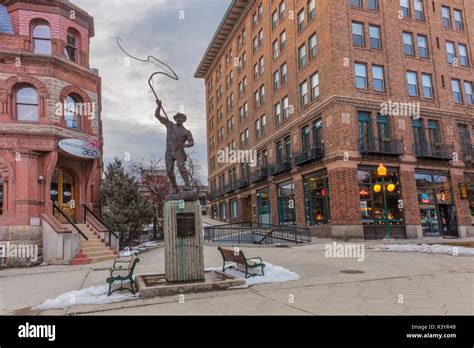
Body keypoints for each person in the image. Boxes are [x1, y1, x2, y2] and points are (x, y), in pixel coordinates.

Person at [154, 100, 194, 192]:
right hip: (169, 151)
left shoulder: (186, 132)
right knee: (169, 170)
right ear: (175, 119)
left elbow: (192, 143)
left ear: (183, 120)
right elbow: (157, 116)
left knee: (181, 167)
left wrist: (184, 145)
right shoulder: (169, 124)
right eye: (178, 118)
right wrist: (159, 106)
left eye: (181, 118)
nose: (179, 119)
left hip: (179, 151)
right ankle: (175, 186)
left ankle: (187, 184)